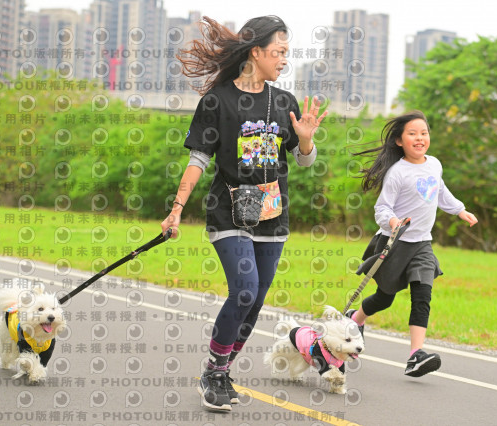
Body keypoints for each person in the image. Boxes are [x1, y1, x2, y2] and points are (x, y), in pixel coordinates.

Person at [160, 16, 327, 412]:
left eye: (287, 53)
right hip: (228, 211)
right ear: (256, 52)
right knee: (245, 289)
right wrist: (176, 209)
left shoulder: (284, 102)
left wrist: (306, 141)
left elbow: (304, 160)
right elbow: (199, 159)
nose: (284, 59)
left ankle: (222, 370)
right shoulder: (217, 100)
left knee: (256, 300)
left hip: (272, 214)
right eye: (279, 52)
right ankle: (214, 371)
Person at [346, 110, 477, 377]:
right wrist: (393, 221)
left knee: (422, 295)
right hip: (394, 244)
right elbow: (382, 208)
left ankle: (416, 355)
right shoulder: (397, 172)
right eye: (412, 134)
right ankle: (355, 319)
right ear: (399, 141)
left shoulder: (434, 164)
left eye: (424, 133)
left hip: (422, 244)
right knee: (384, 298)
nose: (420, 138)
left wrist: (460, 210)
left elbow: (440, 191)